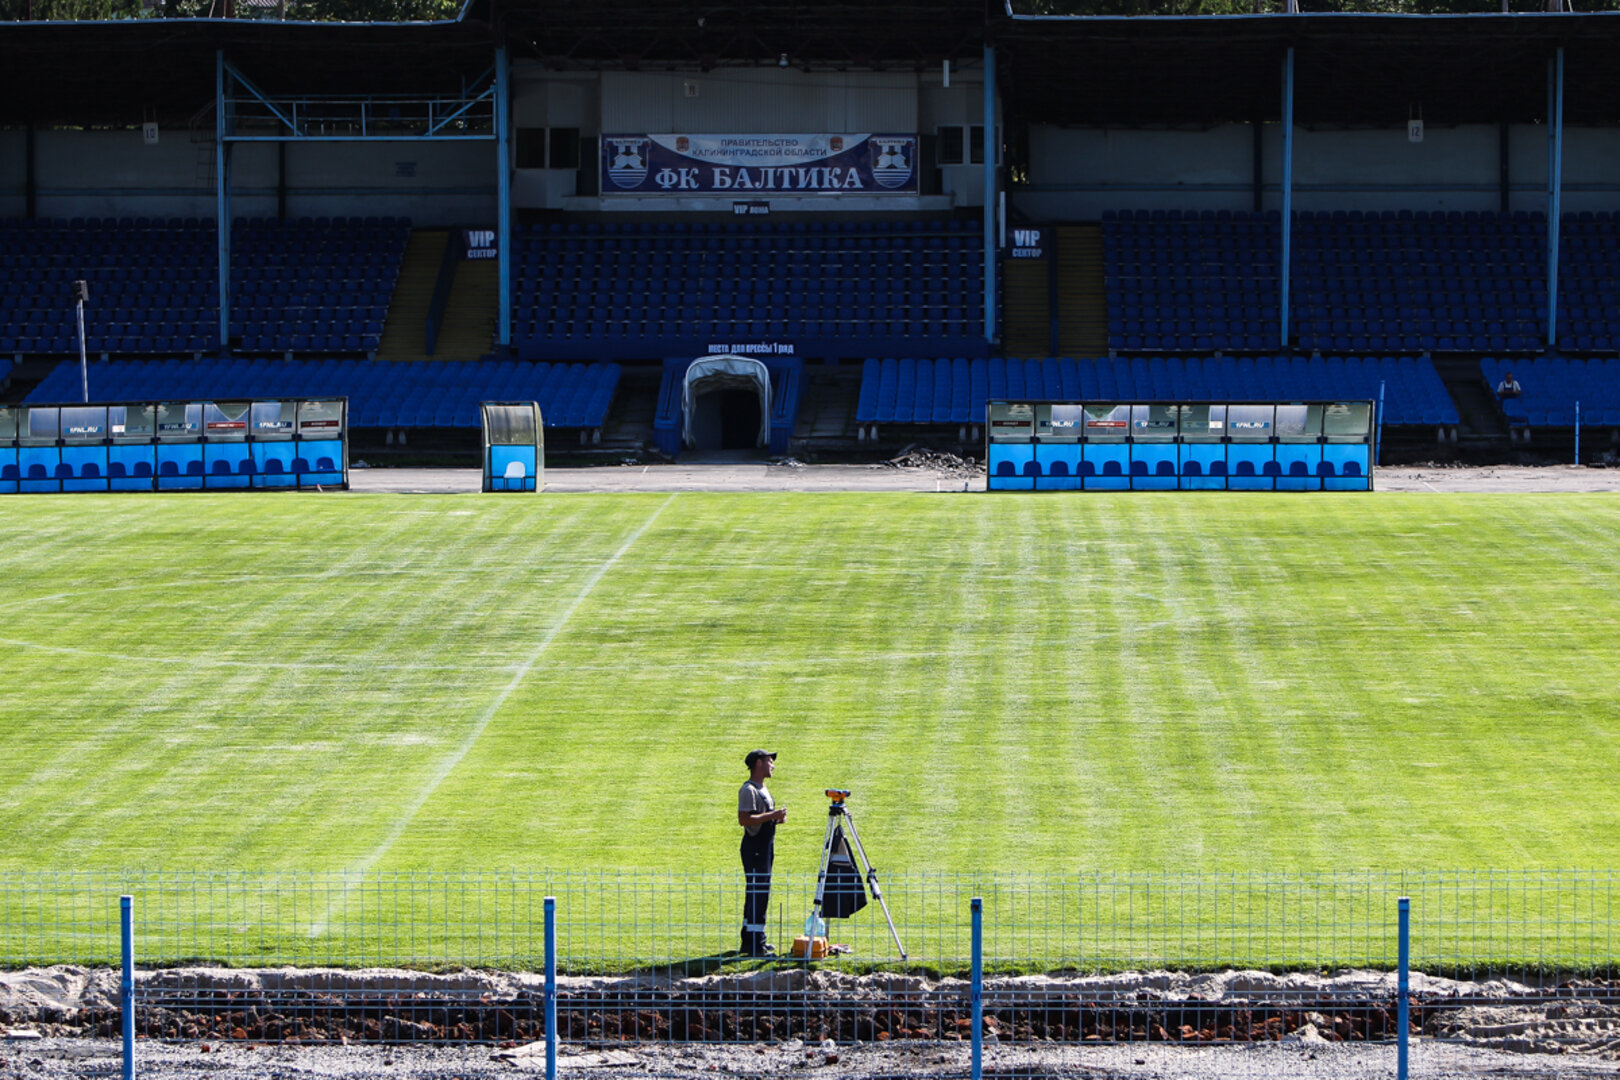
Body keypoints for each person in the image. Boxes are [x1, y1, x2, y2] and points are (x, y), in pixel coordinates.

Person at [737, 749, 788, 956]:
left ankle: (753, 940)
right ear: (759, 763)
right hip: (755, 848)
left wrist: (775, 819)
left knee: (759, 892)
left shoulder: (762, 788)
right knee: (758, 892)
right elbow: (744, 819)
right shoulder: (748, 790)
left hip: (764, 847)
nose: (772, 765)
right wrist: (772, 816)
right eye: (769, 761)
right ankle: (755, 944)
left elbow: (760, 817)